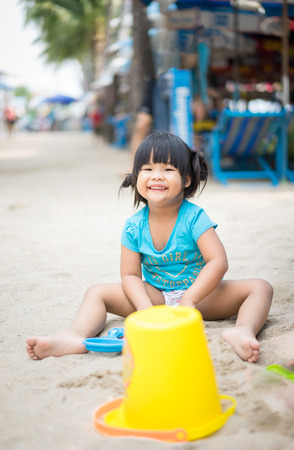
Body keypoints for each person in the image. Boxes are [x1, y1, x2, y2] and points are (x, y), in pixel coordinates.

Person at [26, 131, 273, 363]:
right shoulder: (134, 226)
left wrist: (190, 298)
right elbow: (130, 275)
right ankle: (75, 335)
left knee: (260, 288)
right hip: (156, 297)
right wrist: (145, 309)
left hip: (201, 298)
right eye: (147, 169)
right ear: (136, 177)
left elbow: (218, 262)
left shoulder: (194, 218)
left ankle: (242, 331)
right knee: (97, 292)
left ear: (186, 180)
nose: (156, 175)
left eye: (167, 169)